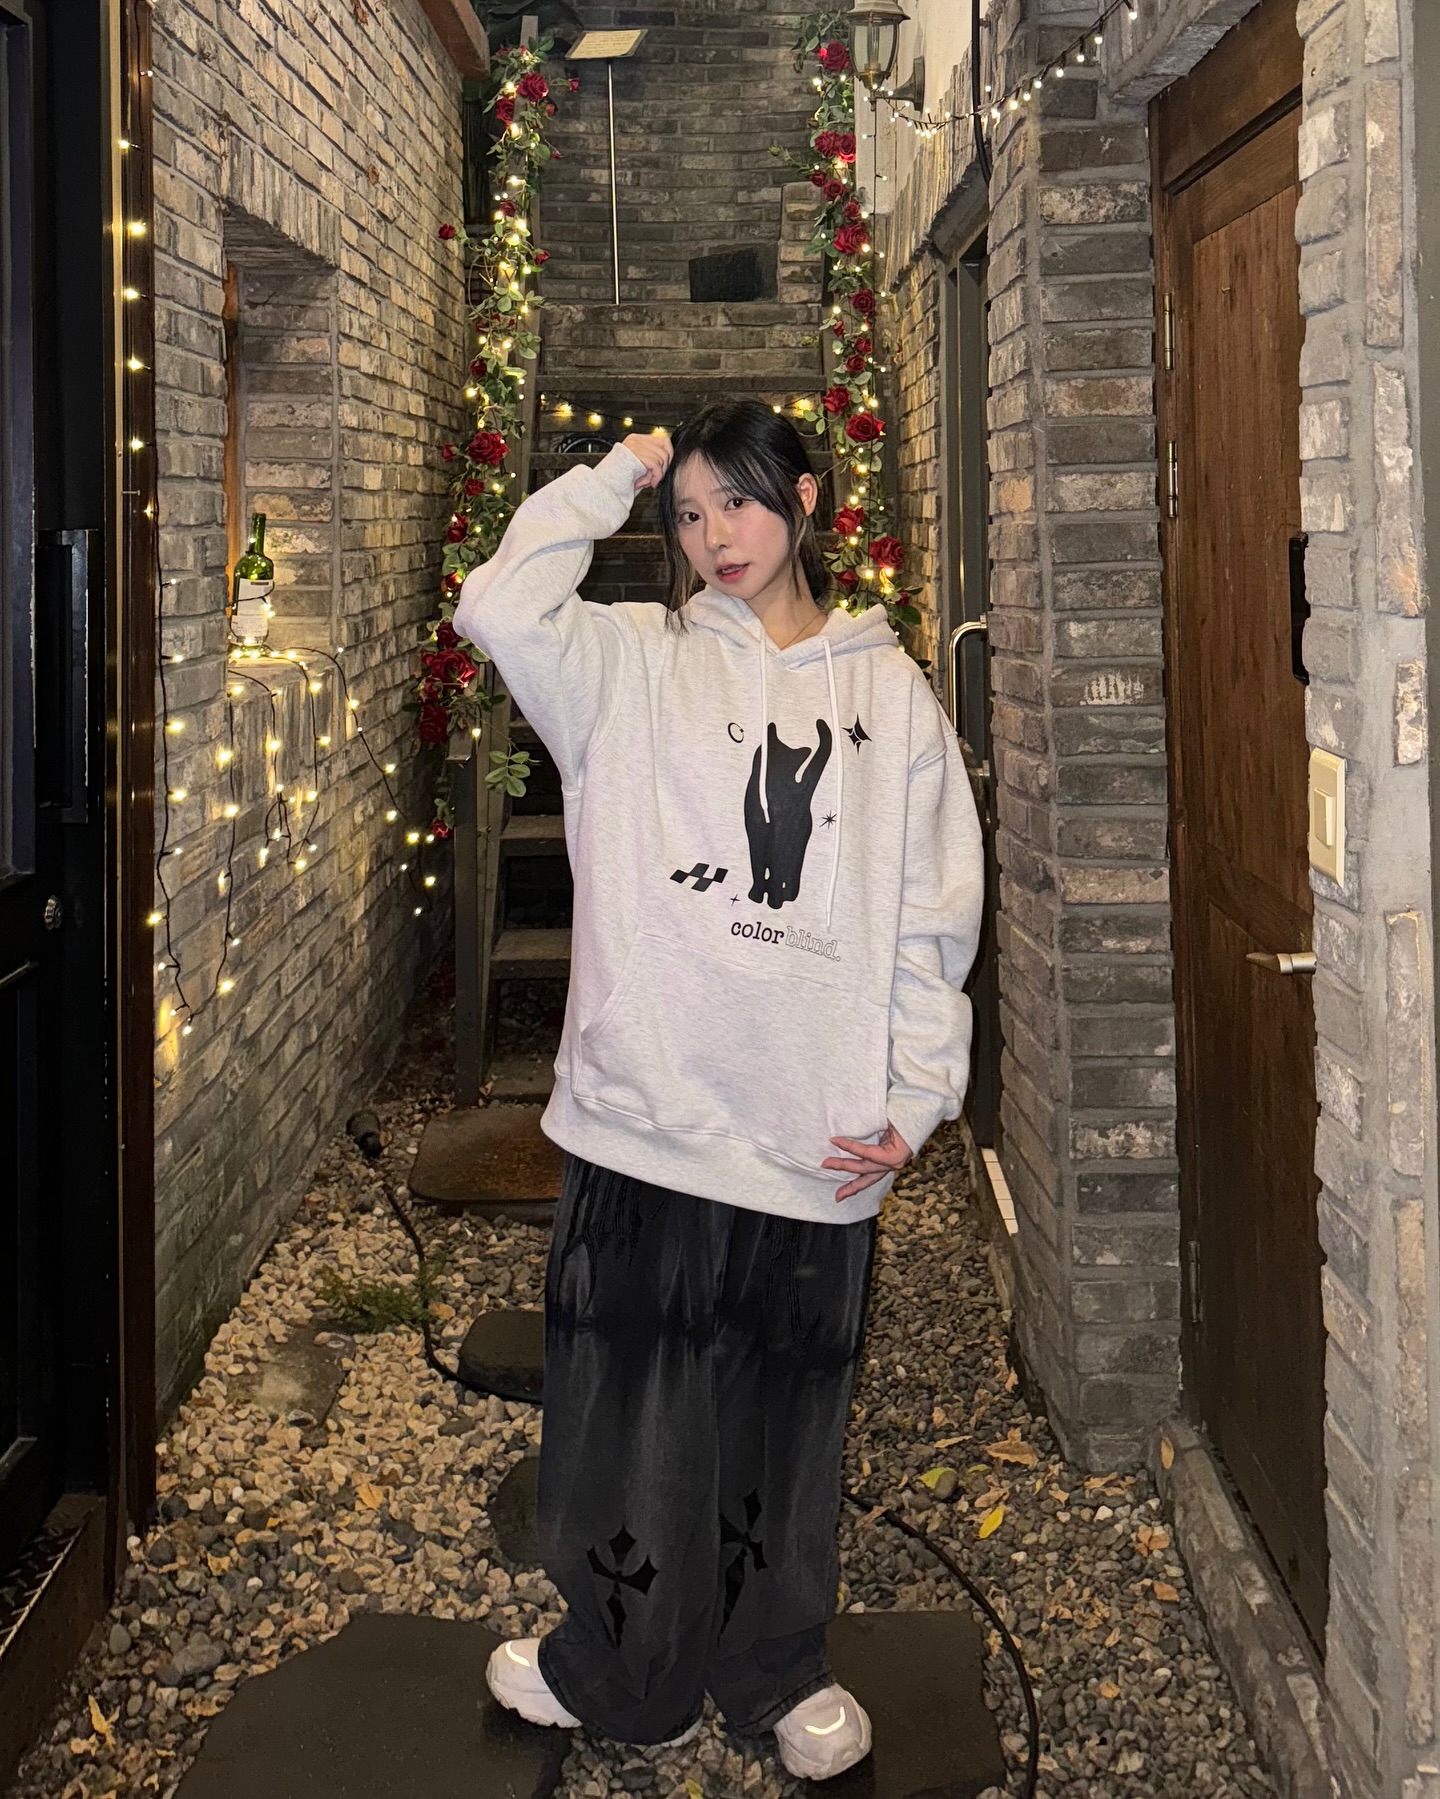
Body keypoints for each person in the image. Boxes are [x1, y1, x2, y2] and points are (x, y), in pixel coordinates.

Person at [451, 398, 984, 1780]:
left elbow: (935, 917)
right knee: (624, 1419)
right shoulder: (628, 663)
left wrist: (917, 1093)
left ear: (803, 498)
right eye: (688, 515)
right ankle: (619, 1670)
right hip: (646, 1121)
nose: (712, 537)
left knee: (782, 1425)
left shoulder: (892, 698)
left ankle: (773, 1671)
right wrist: (613, 475)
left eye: (737, 501)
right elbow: (497, 602)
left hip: (809, 1134)